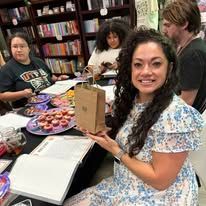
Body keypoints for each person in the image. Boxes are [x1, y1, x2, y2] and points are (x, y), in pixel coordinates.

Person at [64, 28, 204, 205]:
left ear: (169, 67)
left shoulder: (174, 115)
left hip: (159, 195)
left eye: (156, 64)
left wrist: (116, 150)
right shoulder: (134, 98)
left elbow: (160, 181)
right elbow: (135, 132)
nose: (145, 72)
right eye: (138, 64)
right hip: (128, 180)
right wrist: (103, 131)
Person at [0, 32, 68, 108]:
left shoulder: (38, 61)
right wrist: (22, 94)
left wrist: (59, 79)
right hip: (28, 109)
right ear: (10, 49)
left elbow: (50, 77)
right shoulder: (7, 69)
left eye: (22, 46)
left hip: (52, 102)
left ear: (29, 48)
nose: (18, 50)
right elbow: (2, 96)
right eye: (15, 47)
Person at [162, 0, 206, 113]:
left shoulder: (193, 54)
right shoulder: (187, 47)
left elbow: (186, 102)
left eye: (168, 25)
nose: (164, 30)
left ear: (184, 24)